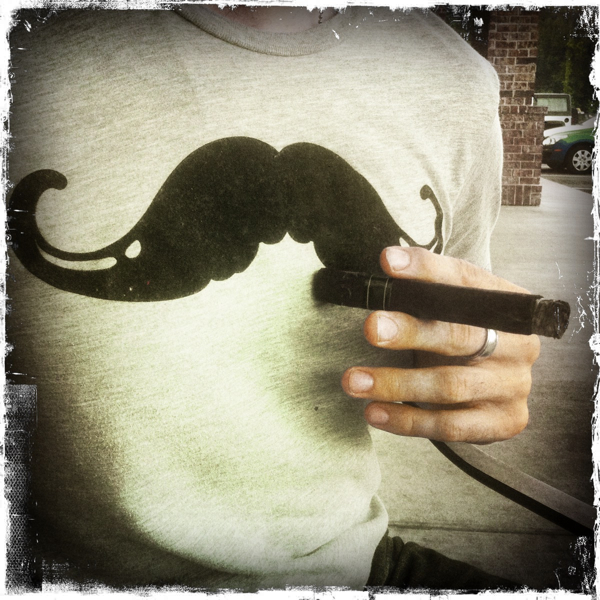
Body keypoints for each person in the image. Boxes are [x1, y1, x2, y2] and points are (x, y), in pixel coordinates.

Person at [6, 4, 540, 591]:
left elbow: (452, 341)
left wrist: (477, 368)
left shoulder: (453, 80)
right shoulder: (29, 44)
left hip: (345, 566)